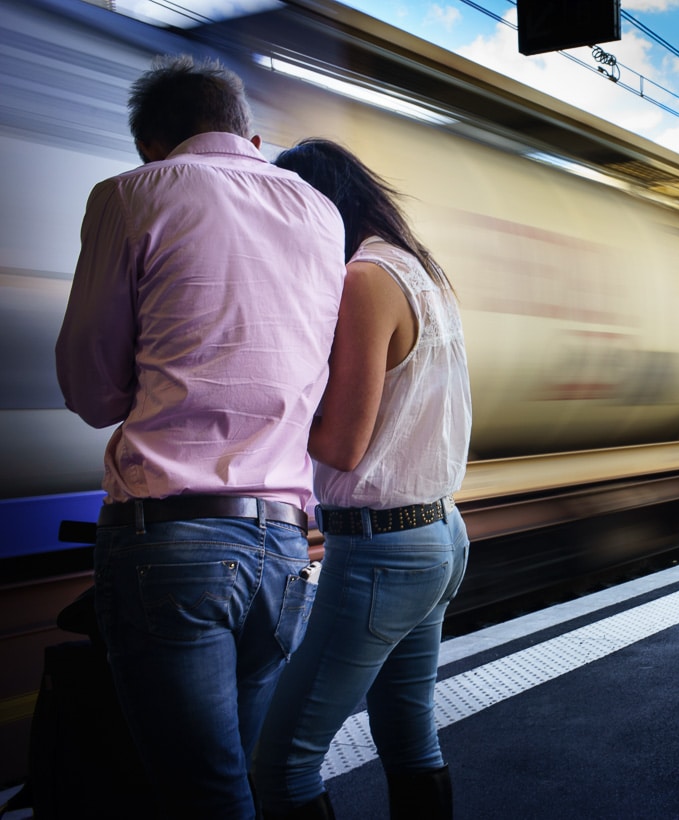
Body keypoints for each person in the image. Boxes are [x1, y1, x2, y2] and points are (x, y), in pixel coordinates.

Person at [54, 57, 345, 818]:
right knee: (231, 780)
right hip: (285, 552)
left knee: (199, 797)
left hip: (170, 546)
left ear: (153, 144)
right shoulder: (320, 213)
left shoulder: (131, 195)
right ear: (247, 133)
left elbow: (90, 391)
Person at [253, 139, 472, 820]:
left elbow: (344, 446)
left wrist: (267, 412)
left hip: (381, 552)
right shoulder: (418, 270)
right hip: (437, 532)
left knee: (281, 763)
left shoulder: (364, 278)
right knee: (409, 737)